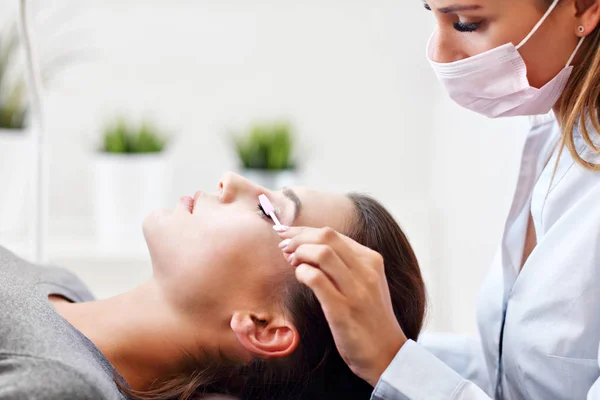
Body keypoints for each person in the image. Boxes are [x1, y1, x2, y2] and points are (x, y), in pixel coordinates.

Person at [281, 0, 600, 398]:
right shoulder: (555, 140)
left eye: (467, 23)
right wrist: (362, 347)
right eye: (431, 13)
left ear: (584, 8)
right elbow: (513, 376)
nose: (438, 53)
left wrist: (391, 360)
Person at [0, 172, 426, 400]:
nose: (230, 181)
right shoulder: (63, 286)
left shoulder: (59, 387)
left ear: (263, 327)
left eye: (266, 210)